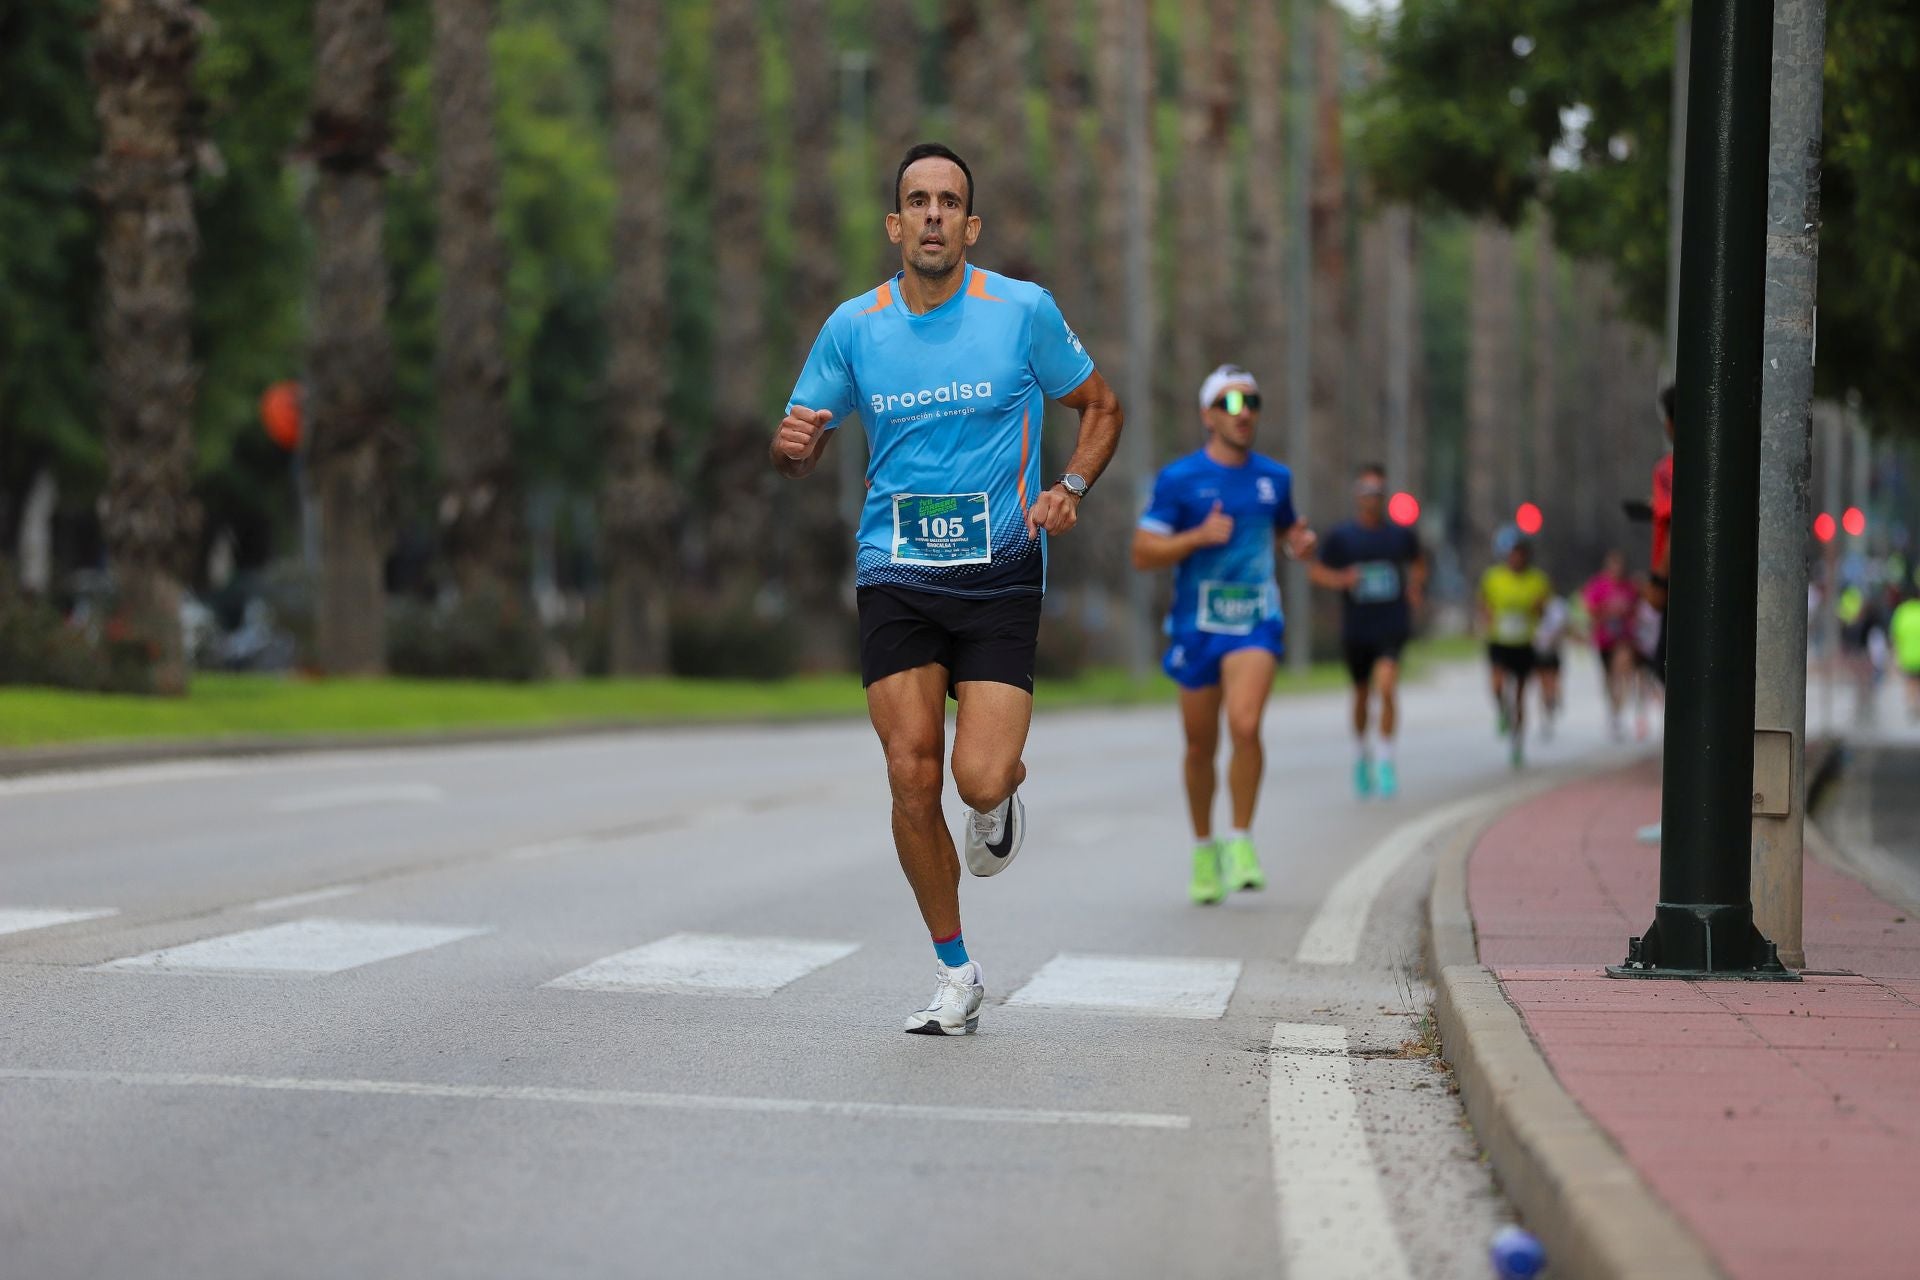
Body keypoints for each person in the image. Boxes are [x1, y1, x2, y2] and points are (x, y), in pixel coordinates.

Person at [773, 142, 1122, 1035]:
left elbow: (1101, 407)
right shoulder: (854, 326)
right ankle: (955, 971)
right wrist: (797, 448)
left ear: (971, 225)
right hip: (896, 569)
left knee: (976, 778)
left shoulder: (1021, 312)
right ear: (895, 225)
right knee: (909, 770)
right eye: (917, 202)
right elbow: (801, 433)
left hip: (1002, 571)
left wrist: (1070, 489)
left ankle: (1001, 796)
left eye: (949, 202)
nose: (932, 215)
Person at [1132, 365, 1317, 904]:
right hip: (1197, 626)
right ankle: (1203, 849)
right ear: (1208, 414)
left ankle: (1241, 840)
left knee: (1245, 723)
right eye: (1232, 404)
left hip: (1255, 620)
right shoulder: (1179, 479)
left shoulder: (1274, 478)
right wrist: (1196, 537)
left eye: (1253, 403)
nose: (1245, 414)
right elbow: (1143, 553)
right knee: (1199, 746)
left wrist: (1297, 545)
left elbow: (1286, 530)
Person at [1309, 463, 1426, 798]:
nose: (1372, 498)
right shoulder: (1342, 537)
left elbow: (1418, 562)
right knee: (1361, 693)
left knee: (1386, 686)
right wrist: (1341, 580)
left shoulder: (1399, 535)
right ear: (1356, 495)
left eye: (1378, 492)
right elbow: (1316, 572)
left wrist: (1416, 587)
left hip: (1391, 623)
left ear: (1384, 495)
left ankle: (1387, 758)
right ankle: (1362, 754)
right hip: (1358, 627)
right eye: (1366, 492)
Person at [1479, 531, 1552, 768]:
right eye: (1512, 554)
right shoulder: (1493, 578)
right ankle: (1502, 711)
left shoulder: (1538, 580)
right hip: (1500, 640)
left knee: (1520, 695)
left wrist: (1538, 609)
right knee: (1497, 684)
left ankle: (1517, 743)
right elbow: (1484, 604)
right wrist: (1486, 620)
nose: (1516, 558)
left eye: (1520, 554)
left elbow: (1544, 613)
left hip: (1524, 643)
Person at [1583, 550, 1640, 740]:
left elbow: (1636, 610)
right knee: (1609, 678)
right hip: (1603, 639)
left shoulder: (1629, 587)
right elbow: (1590, 610)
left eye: (1620, 566)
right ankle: (1613, 710)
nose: (1617, 570)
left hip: (1623, 639)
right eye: (1613, 566)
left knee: (1621, 671)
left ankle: (1618, 710)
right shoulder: (1598, 586)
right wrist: (1606, 615)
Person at [1532, 593, 1569, 742]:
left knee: (1552, 682)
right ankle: (1546, 714)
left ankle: (1553, 699)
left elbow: (1563, 627)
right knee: (1542, 684)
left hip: (1552, 652)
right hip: (1538, 652)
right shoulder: (1531, 605)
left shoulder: (1556, 606)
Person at [1891, 588, 1920, 722]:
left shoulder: (1902, 611)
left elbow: (1895, 635)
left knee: (1911, 683)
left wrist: (1896, 654)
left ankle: (1913, 706)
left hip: (1908, 656)